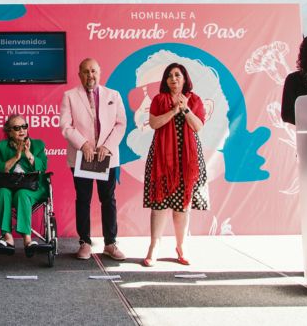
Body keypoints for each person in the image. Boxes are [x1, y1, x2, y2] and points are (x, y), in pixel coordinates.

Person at [59, 58, 127, 261]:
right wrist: (84, 145)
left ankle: (110, 243)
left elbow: (120, 124)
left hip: (107, 156)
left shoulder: (113, 95)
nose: (91, 75)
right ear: (79, 74)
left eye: (94, 71)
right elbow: (66, 125)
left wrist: (106, 147)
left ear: (100, 72)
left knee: (109, 199)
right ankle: (85, 243)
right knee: (84, 199)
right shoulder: (69, 96)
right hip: (82, 156)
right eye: (86, 71)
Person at [142, 62, 205, 267]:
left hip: (187, 160)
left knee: (182, 206)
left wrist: (185, 109)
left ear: (185, 78)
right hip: (162, 158)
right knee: (159, 204)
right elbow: (153, 124)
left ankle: (181, 246)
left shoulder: (194, 100)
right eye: (169, 76)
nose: (173, 79)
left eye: (177, 75)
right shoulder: (159, 100)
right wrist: (173, 111)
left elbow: (198, 127)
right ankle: (154, 247)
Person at [0, 114, 48, 257]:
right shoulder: (2, 146)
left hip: (32, 187)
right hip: (8, 185)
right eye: (16, 128)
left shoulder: (38, 144)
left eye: (24, 126)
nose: (22, 130)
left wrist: (28, 153)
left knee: (22, 194)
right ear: (9, 132)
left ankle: (27, 239)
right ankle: (8, 237)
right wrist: (16, 156)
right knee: (2, 192)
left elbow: (43, 166)